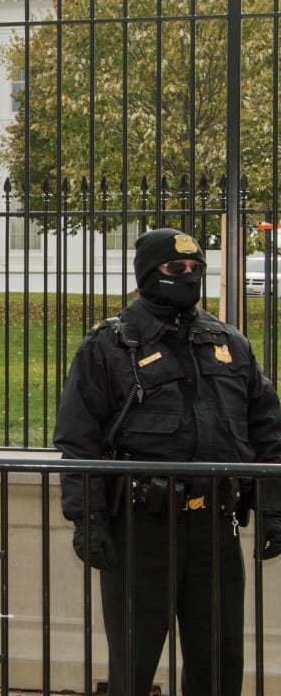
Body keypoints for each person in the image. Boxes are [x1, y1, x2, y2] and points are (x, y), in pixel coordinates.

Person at [54, 227, 281, 696]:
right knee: (133, 666)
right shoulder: (108, 346)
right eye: (176, 269)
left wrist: (274, 509)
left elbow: (268, 432)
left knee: (219, 663)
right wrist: (88, 520)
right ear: (148, 273)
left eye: (196, 269)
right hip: (140, 530)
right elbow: (80, 443)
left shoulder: (229, 343)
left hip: (215, 531)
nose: (189, 276)